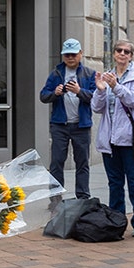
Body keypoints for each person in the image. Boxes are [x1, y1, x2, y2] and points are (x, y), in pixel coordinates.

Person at [91, 39, 134, 237]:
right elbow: (96, 107)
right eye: (119, 50)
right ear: (114, 53)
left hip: (131, 139)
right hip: (110, 139)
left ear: (131, 56)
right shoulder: (107, 75)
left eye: (127, 51)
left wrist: (116, 86)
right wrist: (101, 90)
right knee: (115, 183)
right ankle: (116, 220)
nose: (122, 54)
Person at [40, 38, 96, 201]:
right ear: (62, 56)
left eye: (73, 54)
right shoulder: (56, 73)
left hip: (81, 125)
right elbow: (43, 96)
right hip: (60, 126)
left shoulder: (89, 74)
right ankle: (55, 198)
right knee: (56, 162)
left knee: (82, 163)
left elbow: (96, 98)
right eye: (67, 55)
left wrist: (79, 91)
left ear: (80, 54)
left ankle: (83, 198)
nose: (70, 58)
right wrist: (55, 93)